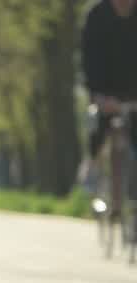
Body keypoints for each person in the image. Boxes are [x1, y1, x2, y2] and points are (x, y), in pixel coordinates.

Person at [80, 0, 137, 188]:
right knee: (98, 128)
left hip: (133, 91)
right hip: (104, 90)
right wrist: (97, 94)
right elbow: (88, 58)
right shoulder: (96, 16)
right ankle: (92, 165)